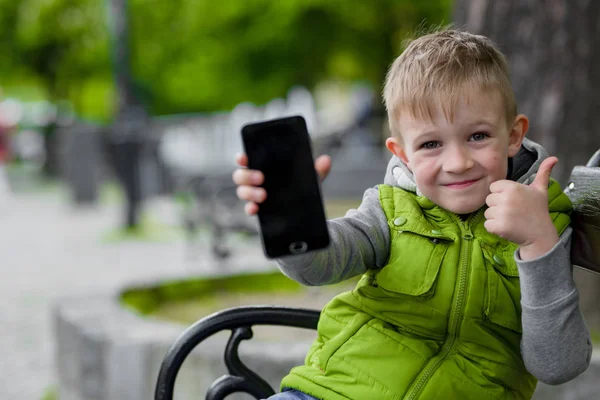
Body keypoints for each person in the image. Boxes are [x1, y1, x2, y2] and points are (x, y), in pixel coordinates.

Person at [232, 29, 592, 400]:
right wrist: (292, 218)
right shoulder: (390, 210)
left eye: (478, 136)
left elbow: (558, 365)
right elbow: (317, 268)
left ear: (513, 135)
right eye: (431, 144)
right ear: (401, 153)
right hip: (333, 390)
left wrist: (538, 244)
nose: (457, 163)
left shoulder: (545, 221)